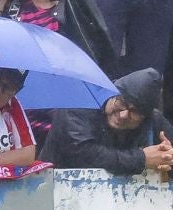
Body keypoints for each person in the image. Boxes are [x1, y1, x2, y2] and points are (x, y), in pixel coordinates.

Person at [41, 68, 173, 177]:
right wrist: (142, 159)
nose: (123, 115)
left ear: (145, 116)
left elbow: (167, 155)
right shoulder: (78, 104)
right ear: (112, 92)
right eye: (121, 103)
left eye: (134, 112)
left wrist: (167, 158)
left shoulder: (154, 120)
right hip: (55, 191)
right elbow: (83, 154)